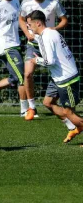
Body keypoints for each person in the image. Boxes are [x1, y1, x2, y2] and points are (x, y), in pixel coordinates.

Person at [26, 10, 82, 142]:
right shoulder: (48, 33)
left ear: (38, 23)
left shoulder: (47, 36)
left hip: (66, 78)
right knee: (48, 103)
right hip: (57, 77)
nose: (28, 27)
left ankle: (77, 125)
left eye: (30, 24)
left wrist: (36, 61)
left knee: (69, 112)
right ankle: (73, 127)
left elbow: (50, 61)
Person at [18, 0, 68, 120]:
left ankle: (63, 103)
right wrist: (27, 33)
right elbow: (21, 19)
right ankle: (31, 107)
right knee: (27, 74)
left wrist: (53, 28)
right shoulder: (26, 3)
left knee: (59, 72)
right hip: (33, 45)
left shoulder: (53, 3)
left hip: (49, 45)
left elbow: (64, 20)